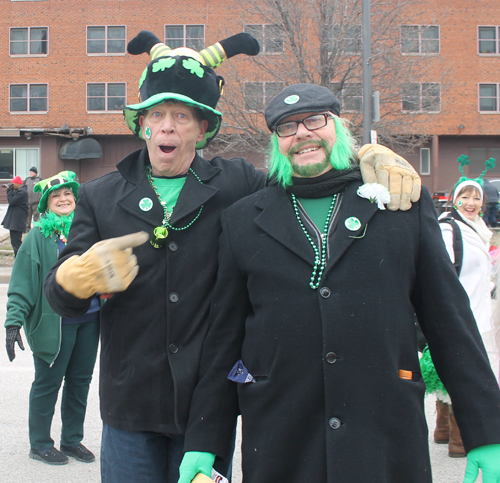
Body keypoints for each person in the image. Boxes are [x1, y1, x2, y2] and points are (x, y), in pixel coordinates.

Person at [44, 31, 421, 483]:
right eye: (157, 115)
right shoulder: (99, 195)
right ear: (142, 124)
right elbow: (60, 296)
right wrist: (73, 279)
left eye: (181, 116)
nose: (167, 127)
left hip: (208, 407)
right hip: (131, 405)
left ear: (202, 128)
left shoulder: (240, 184)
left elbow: (308, 175)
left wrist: (366, 158)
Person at [178, 84, 500, 483]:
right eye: (287, 127)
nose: (302, 134)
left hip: (383, 431)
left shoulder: (399, 207)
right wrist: (204, 436)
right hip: (283, 435)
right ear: (277, 143)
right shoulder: (243, 220)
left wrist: (487, 430)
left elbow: (451, 324)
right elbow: (224, 338)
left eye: (315, 120)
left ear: (340, 128)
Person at [5, 171, 100, 466]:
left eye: (68, 194)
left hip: (90, 318)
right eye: (56, 196)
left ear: (76, 199)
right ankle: (40, 443)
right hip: (53, 324)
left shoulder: (88, 232)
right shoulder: (37, 237)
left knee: (80, 382)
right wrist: (13, 322)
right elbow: (22, 283)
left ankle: (72, 440)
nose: (63, 199)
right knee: (48, 383)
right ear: (45, 205)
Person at [422, 159, 496, 458]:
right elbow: (439, 272)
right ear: (454, 200)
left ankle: (443, 429)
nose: (471, 202)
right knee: (464, 369)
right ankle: (460, 440)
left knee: (455, 367)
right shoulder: (449, 229)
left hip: (479, 308)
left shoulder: (479, 229)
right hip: (460, 312)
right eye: (464, 196)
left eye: (476, 197)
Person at [1, 175, 28, 257]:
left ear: (17, 185)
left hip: (17, 221)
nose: (11, 186)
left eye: (13, 184)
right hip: (15, 220)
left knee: (16, 241)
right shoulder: (19, 191)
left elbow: (11, 201)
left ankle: (20, 256)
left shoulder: (22, 192)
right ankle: (18, 255)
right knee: (14, 240)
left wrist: (9, 190)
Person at [24, 166, 42, 233]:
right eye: (30, 172)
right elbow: (24, 189)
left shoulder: (39, 180)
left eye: (32, 172)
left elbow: (41, 190)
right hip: (28, 202)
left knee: (36, 217)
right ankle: (27, 229)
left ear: (35, 173)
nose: (30, 173)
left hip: (36, 202)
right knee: (28, 217)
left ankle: (36, 229)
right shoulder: (27, 180)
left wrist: (39, 199)